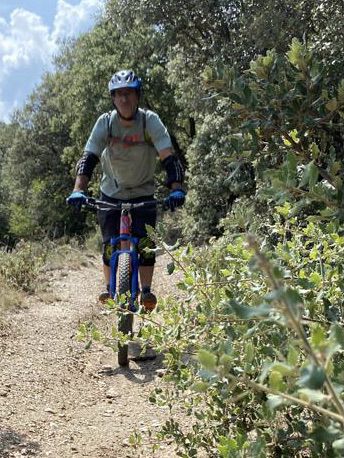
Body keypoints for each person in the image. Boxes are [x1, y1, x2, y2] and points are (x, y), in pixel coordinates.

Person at [67, 69, 185, 310]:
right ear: (113, 98)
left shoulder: (149, 121)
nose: (124, 99)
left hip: (143, 193)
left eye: (129, 94)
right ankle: (109, 287)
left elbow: (169, 157)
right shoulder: (106, 123)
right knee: (110, 243)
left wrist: (176, 189)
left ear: (137, 96)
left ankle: (147, 291)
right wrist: (78, 190)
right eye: (119, 94)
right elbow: (88, 158)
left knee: (145, 245)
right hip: (111, 192)